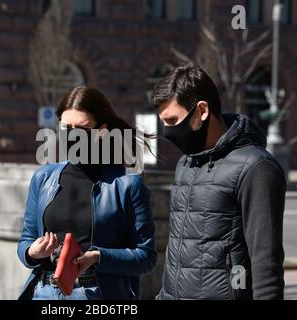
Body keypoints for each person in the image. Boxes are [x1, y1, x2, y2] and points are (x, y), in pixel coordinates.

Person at [152, 64, 286, 300]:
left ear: (202, 111)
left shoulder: (256, 167)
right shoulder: (186, 163)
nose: (168, 131)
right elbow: (178, 250)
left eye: (173, 121)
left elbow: (266, 264)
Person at [17, 86, 157, 300]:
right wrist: (32, 253)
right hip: (44, 291)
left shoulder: (128, 183)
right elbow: (26, 239)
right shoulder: (43, 178)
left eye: (81, 129)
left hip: (96, 293)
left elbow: (146, 257)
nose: (72, 135)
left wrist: (99, 257)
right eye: (65, 128)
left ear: (101, 130)